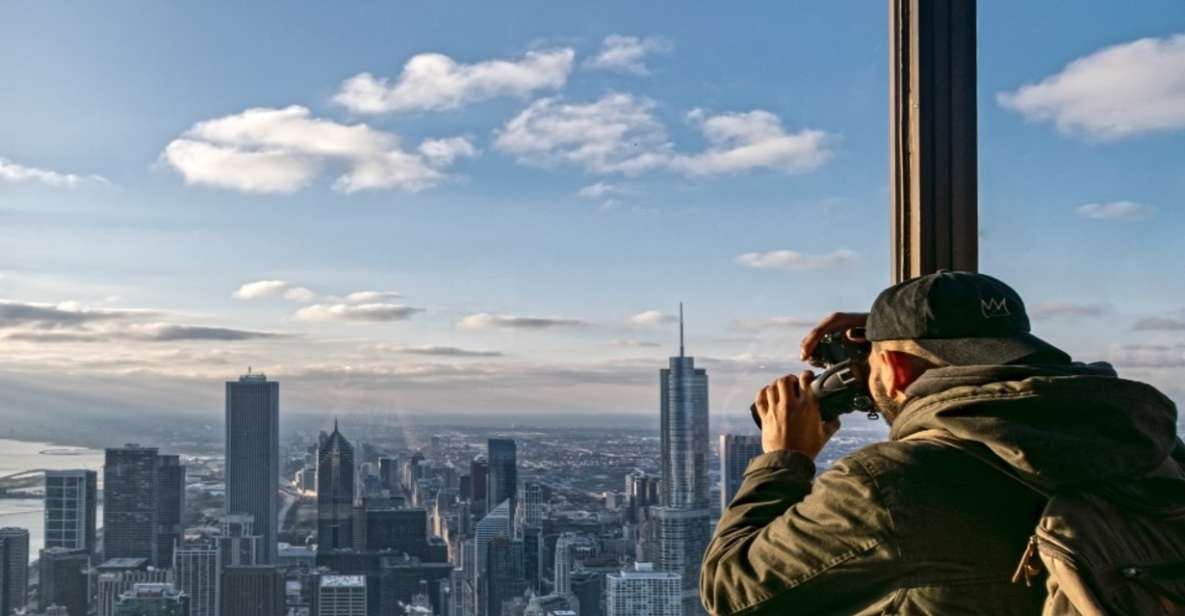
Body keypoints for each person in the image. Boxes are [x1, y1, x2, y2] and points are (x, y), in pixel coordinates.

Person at [700, 271, 1182, 615]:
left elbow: (731, 592)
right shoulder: (1147, 443)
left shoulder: (888, 484)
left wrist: (784, 457)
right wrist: (896, 336)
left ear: (895, 371)